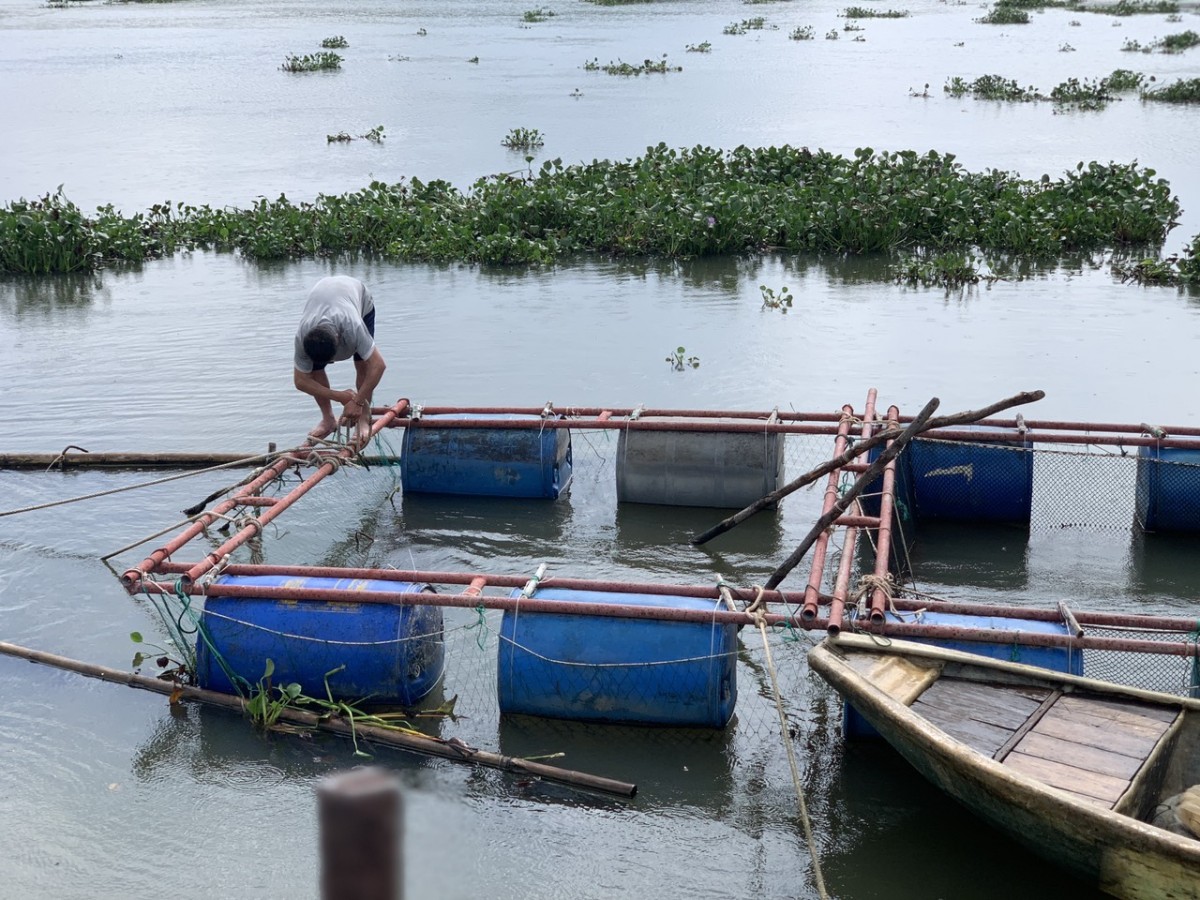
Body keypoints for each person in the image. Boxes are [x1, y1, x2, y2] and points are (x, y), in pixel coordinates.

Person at [293, 275, 387, 441]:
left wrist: (357, 402)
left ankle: (364, 419)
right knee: (313, 371)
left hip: (359, 298)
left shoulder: (353, 327)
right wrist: (340, 396)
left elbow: (378, 366)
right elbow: (300, 381)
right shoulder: (303, 336)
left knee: (362, 363)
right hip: (324, 293)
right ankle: (328, 419)